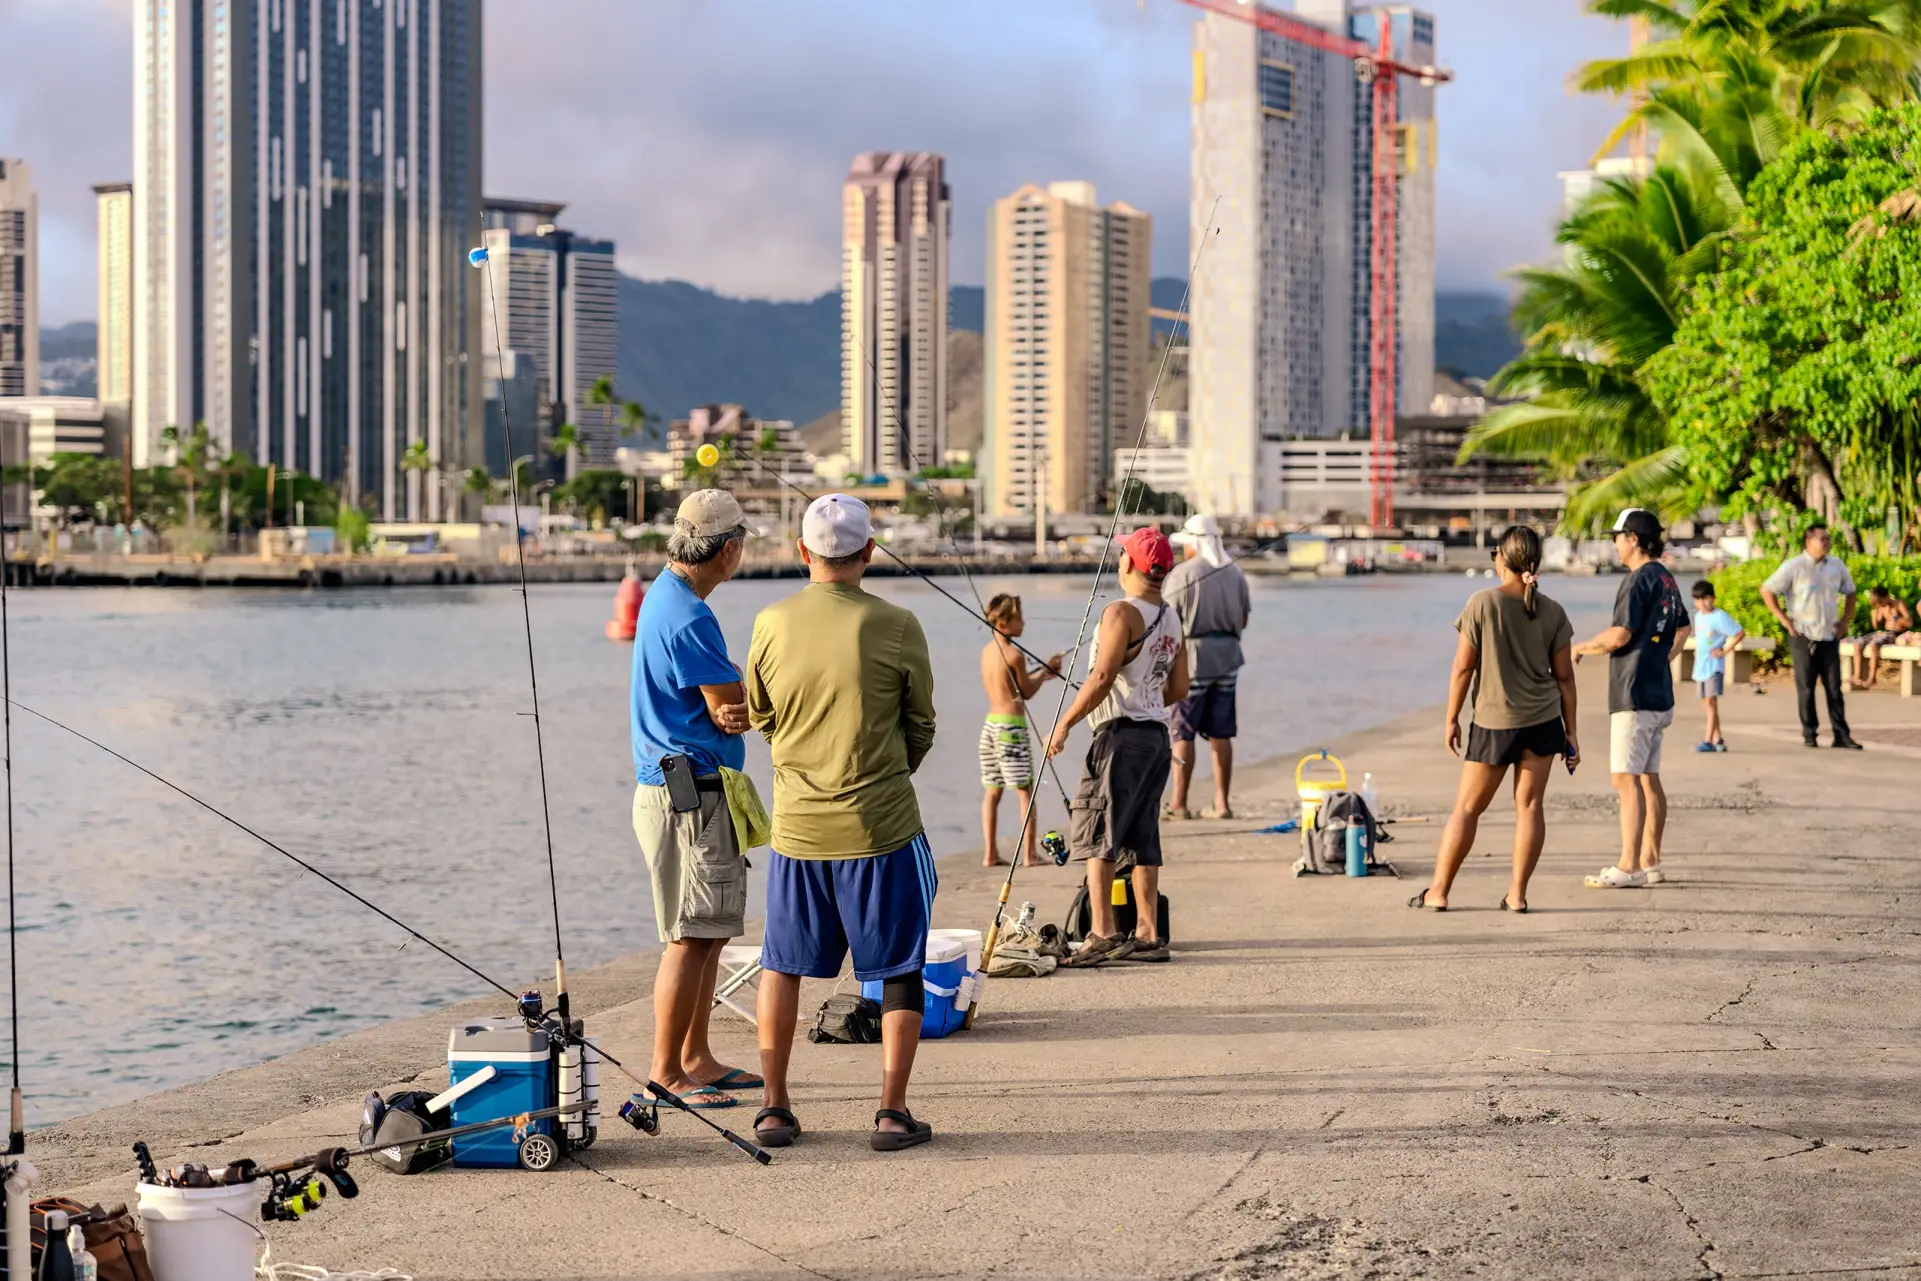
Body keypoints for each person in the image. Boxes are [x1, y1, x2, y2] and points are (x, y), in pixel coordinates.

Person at [743, 493, 939, 1152]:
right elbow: (921, 725)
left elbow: (761, 714)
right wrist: (885, 773)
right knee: (899, 966)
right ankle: (890, 1110)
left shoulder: (769, 621)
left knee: (782, 965)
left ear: (802, 552)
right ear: (869, 552)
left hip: (797, 831)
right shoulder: (898, 624)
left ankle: (773, 1107)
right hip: (880, 827)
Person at [629, 490, 762, 1108]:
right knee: (690, 935)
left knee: (707, 932)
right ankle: (666, 1071)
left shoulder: (667, 596)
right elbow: (730, 709)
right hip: (689, 797)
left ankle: (696, 1056)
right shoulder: (688, 616)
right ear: (729, 550)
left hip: (684, 791)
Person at [1410, 526, 1576, 914]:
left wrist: (1450, 718)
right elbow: (1565, 678)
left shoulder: (1482, 603)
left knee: (1467, 809)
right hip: (1544, 720)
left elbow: (1462, 668)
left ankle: (1439, 892)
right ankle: (1517, 896)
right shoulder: (1553, 610)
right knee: (1530, 807)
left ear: (1502, 558)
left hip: (1494, 722)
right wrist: (1573, 733)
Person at [1046, 527, 1189, 966]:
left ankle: (1102, 931)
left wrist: (1064, 724)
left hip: (1118, 737)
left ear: (1129, 564)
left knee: (1098, 834)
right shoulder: (1170, 617)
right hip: (1155, 737)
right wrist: (1144, 699)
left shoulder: (1120, 613)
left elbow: (1102, 677)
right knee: (1143, 838)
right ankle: (1147, 933)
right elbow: (1179, 686)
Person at [1574, 509, 1689, 889]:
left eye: (1618, 536)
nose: (1614, 543)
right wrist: (1661, 659)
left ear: (1634, 539)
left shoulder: (1638, 579)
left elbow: (1621, 634)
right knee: (1648, 777)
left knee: (1624, 779)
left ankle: (1628, 866)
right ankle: (1650, 861)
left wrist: (1584, 647)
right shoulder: (1667, 579)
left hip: (1633, 694)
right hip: (1659, 694)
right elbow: (1683, 628)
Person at [1163, 513, 1252, 821]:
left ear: (1194, 544)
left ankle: (1179, 803)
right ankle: (1222, 803)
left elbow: (1167, 621)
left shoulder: (1182, 574)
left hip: (1192, 659)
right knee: (1221, 732)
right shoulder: (1235, 574)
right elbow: (1243, 620)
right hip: (1228, 657)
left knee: (1182, 732)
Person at [978, 594, 1063, 868]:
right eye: (1019, 618)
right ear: (1004, 623)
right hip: (1011, 728)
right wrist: (1045, 675)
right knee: (1025, 791)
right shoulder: (1016, 654)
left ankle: (990, 853)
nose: (1024, 623)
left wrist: (1040, 675)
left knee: (993, 791)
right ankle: (1030, 855)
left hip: (990, 726)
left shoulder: (987, 652)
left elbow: (1012, 688)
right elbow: (1025, 692)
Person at [1760, 523, 1862, 749]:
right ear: (1809, 542)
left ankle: (1840, 733)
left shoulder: (1836, 566)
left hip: (1829, 634)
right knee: (1806, 686)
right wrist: (1784, 620)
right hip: (1803, 634)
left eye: (1828, 539)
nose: (1826, 543)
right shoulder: (1794, 566)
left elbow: (1851, 591)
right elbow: (1767, 590)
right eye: (1821, 539)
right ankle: (1810, 733)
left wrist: (1845, 620)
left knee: (1834, 687)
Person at [1689, 581, 1746, 753]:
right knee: (1707, 704)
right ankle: (1717, 738)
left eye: (1705, 599)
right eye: (1698, 600)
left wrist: (1725, 650)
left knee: (1711, 701)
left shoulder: (1720, 616)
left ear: (1713, 598)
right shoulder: (1698, 616)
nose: (1702, 603)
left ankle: (1708, 740)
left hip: (1714, 666)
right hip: (1701, 665)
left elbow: (1739, 632)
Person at [1849, 586, 1913, 690]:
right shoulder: (1880, 608)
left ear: (1886, 596)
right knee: (1858, 643)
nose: (1880, 604)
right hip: (1882, 633)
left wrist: (1897, 621)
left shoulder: (1899, 604)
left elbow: (1909, 622)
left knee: (1874, 644)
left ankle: (1872, 677)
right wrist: (1874, 617)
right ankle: (1857, 676)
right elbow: (1876, 627)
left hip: (1894, 634)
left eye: (1880, 601)